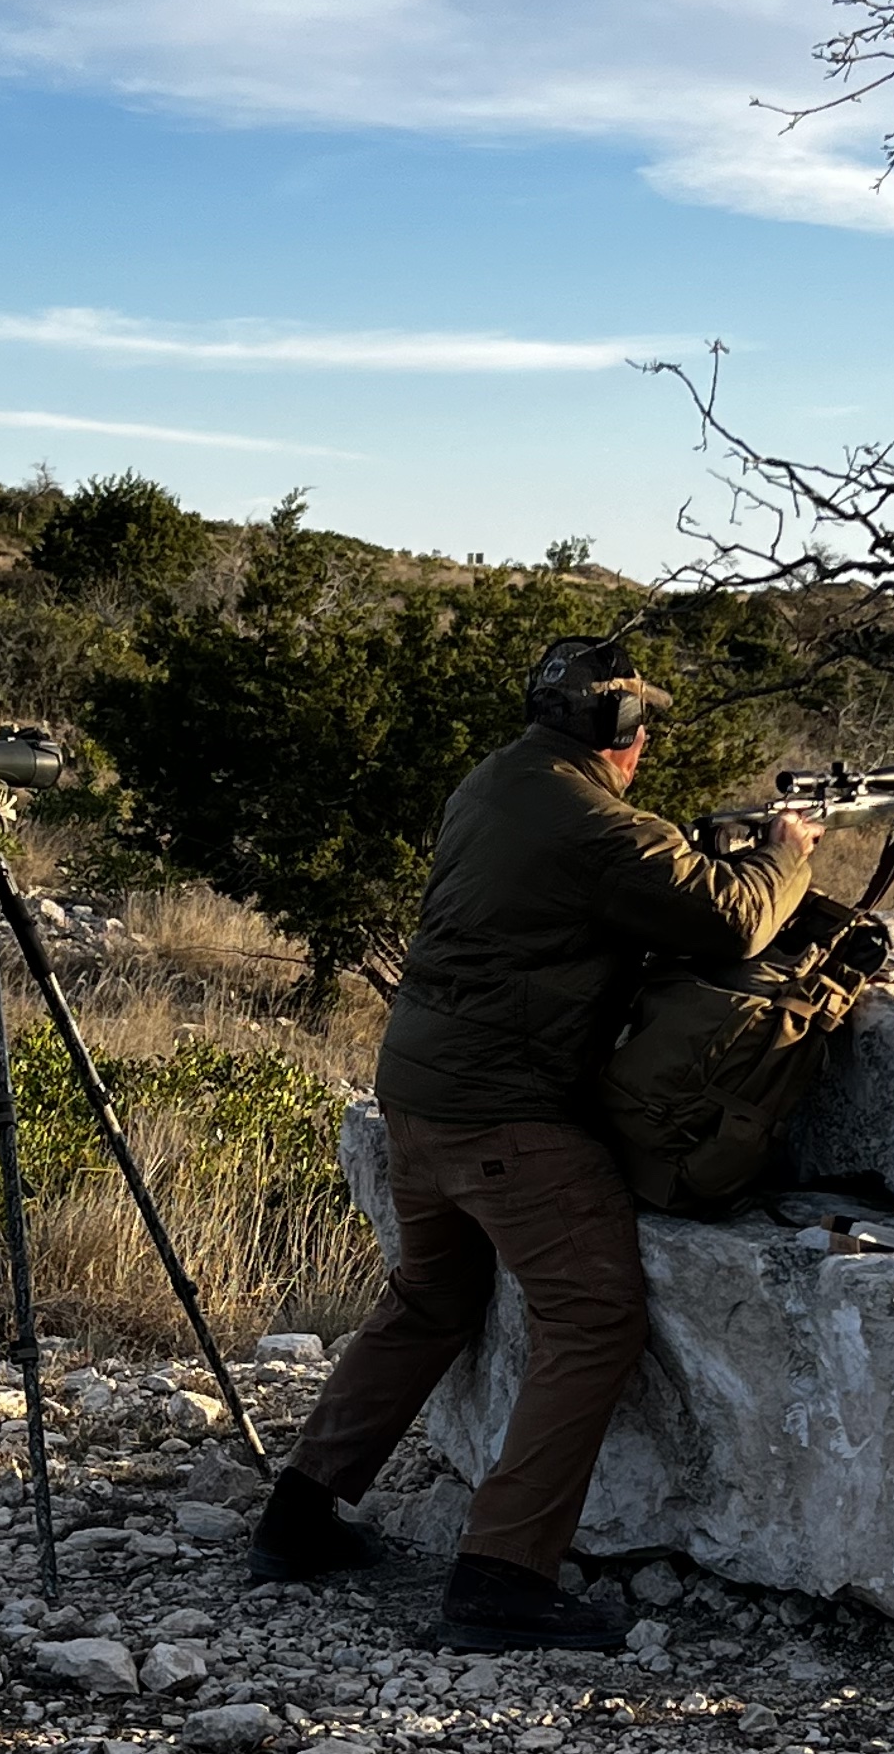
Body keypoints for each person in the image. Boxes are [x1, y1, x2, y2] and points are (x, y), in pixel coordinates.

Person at [255, 638, 819, 1652]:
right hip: (503, 1115)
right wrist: (787, 850)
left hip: (420, 1095)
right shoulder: (593, 821)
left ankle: (297, 1516)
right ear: (621, 735)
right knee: (595, 1317)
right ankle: (503, 1576)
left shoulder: (495, 780)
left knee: (432, 1297)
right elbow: (733, 922)